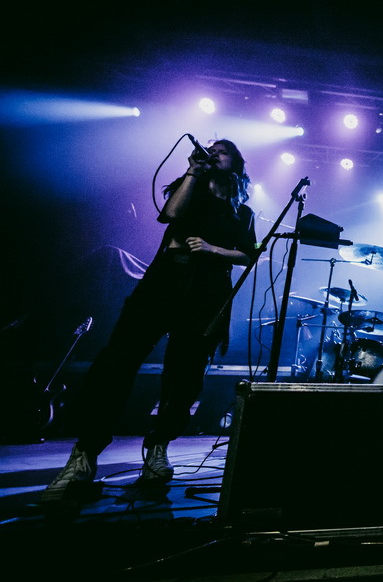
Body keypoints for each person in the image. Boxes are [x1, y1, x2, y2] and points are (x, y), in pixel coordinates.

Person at [43, 139, 258, 498]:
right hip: (164, 282)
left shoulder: (243, 213)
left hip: (207, 294)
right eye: (210, 148)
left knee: (185, 374)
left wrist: (212, 249)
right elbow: (169, 215)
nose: (212, 152)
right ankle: (85, 453)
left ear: (235, 162)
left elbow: (248, 254)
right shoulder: (189, 186)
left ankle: (158, 448)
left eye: (221, 150)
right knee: (117, 361)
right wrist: (192, 171)